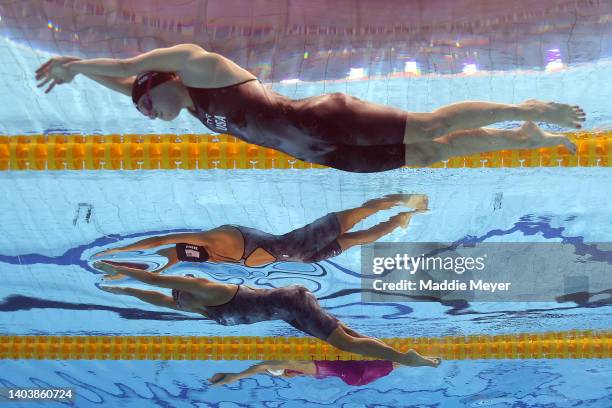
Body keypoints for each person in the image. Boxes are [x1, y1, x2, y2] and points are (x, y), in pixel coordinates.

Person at [35, 44, 586, 173]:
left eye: (145, 101)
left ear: (159, 82)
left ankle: (525, 105)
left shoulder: (203, 71)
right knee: (430, 155)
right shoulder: (189, 105)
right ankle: (526, 134)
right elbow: (136, 85)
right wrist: (85, 76)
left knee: (435, 124)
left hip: (326, 119)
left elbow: (148, 64)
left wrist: (84, 60)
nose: (145, 113)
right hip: (324, 155)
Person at [93, 262, 441, 368]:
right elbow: (155, 295)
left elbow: (155, 279)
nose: (176, 299)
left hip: (291, 303)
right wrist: (122, 291)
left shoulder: (209, 290)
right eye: (176, 299)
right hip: (288, 312)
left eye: (180, 292)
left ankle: (403, 357)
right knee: (347, 334)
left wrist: (114, 269)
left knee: (346, 344)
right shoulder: (195, 307)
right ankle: (399, 356)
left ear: (191, 286)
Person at [93, 194, 428, 279]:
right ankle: (405, 207)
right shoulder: (206, 246)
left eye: (185, 254)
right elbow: (161, 252)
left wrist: (121, 258)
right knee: (360, 224)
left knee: (360, 228)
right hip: (299, 249)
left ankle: (403, 209)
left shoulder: (211, 246)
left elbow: (159, 252)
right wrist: (122, 259)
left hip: (300, 253)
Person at [209, 359, 399, 386]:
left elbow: (259, 369)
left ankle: (414, 361)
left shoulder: (292, 367)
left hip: (349, 376)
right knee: (392, 362)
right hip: (351, 373)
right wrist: (234, 376)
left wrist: (232, 375)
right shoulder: (295, 365)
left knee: (393, 363)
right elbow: (259, 368)